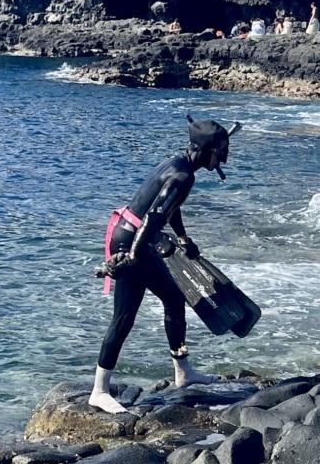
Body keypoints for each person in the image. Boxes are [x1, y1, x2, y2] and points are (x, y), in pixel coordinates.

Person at [92, 118, 238, 414]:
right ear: (204, 151)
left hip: (137, 237)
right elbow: (154, 217)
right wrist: (132, 255)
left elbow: (170, 208)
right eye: (219, 152)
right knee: (124, 317)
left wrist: (183, 237)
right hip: (132, 240)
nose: (222, 158)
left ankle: (182, 371)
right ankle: (99, 391)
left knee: (174, 298)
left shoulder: (178, 165)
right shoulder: (184, 177)